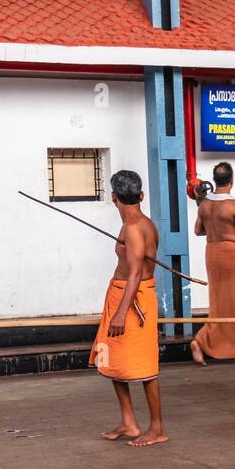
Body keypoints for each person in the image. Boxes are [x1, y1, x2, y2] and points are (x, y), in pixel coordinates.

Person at [88, 169, 167, 447]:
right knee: (112, 359)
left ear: (113, 197)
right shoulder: (134, 223)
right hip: (120, 295)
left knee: (145, 366)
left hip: (134, 301)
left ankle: (157, 428)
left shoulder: (135, 228)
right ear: (140, 195)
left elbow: (135, 273)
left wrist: (122, 312)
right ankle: (129, 422)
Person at [190, 162, 235, 366]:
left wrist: (217, 228)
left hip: (212, 253)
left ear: (215, 180)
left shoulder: (205, 204)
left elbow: (198, 231)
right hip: (231, 254)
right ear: (231, 181)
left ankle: (201, 340)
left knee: (219, 302)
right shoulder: (234, 205)